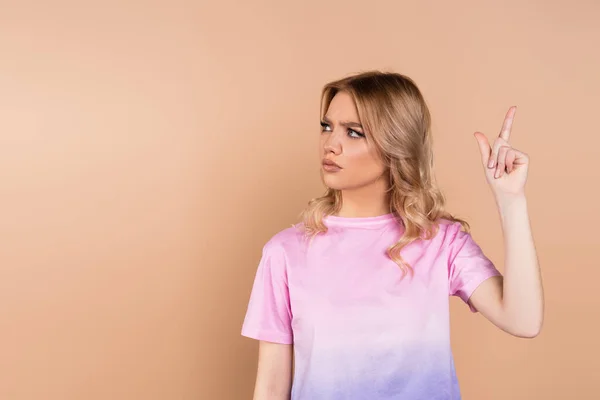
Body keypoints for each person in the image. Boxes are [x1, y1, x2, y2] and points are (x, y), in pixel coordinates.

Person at [240, 70, 544, 400]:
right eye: (326, 127)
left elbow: (523, 320)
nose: (330, 144)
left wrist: (511, 200)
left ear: (395, 145)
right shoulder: (285, 252)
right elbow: (270, 388)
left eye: (353, 133)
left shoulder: (441, 242)